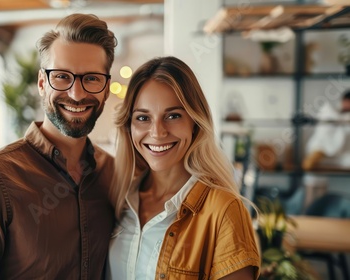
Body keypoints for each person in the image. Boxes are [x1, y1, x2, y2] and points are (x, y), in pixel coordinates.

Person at [0, 13, 117, 279]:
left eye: (91, 78)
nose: (77, 94)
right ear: (42, 83)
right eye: (62, 76)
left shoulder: (112, 173)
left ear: (106, 88)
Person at [107, 56, 260, 280]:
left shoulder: (224, 210)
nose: (157, 132)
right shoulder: (116, 198)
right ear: (129, 126)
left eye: (173, 116)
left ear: (195, 123)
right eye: (143, 117)